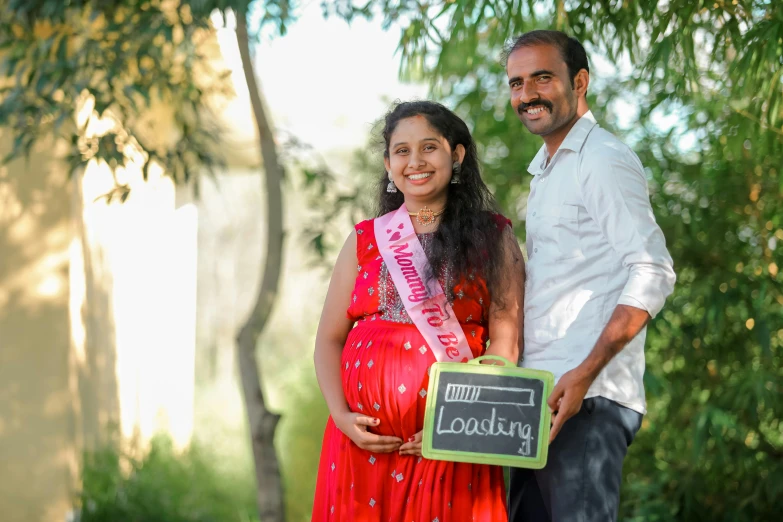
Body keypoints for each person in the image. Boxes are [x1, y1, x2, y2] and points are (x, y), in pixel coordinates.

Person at [311, 100, 525, 522]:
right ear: (389, 164)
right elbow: (328, 340)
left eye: (429, 147)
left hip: (451, 443)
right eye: (402, 151)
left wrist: (457, 423)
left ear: (456, 155)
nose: (415, 161)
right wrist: (340, 416)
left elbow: (506, 341)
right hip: (360, 447)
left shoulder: (492, 236)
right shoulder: (365, 240)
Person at [503, 30, 676, 521]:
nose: (527, 94)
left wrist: (584, 373)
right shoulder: (546, 170)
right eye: (517, 83)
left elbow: (653, 269)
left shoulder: (602, 159)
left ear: (579, 82)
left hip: (589, 399)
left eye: (542, 77)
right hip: (540, 398)